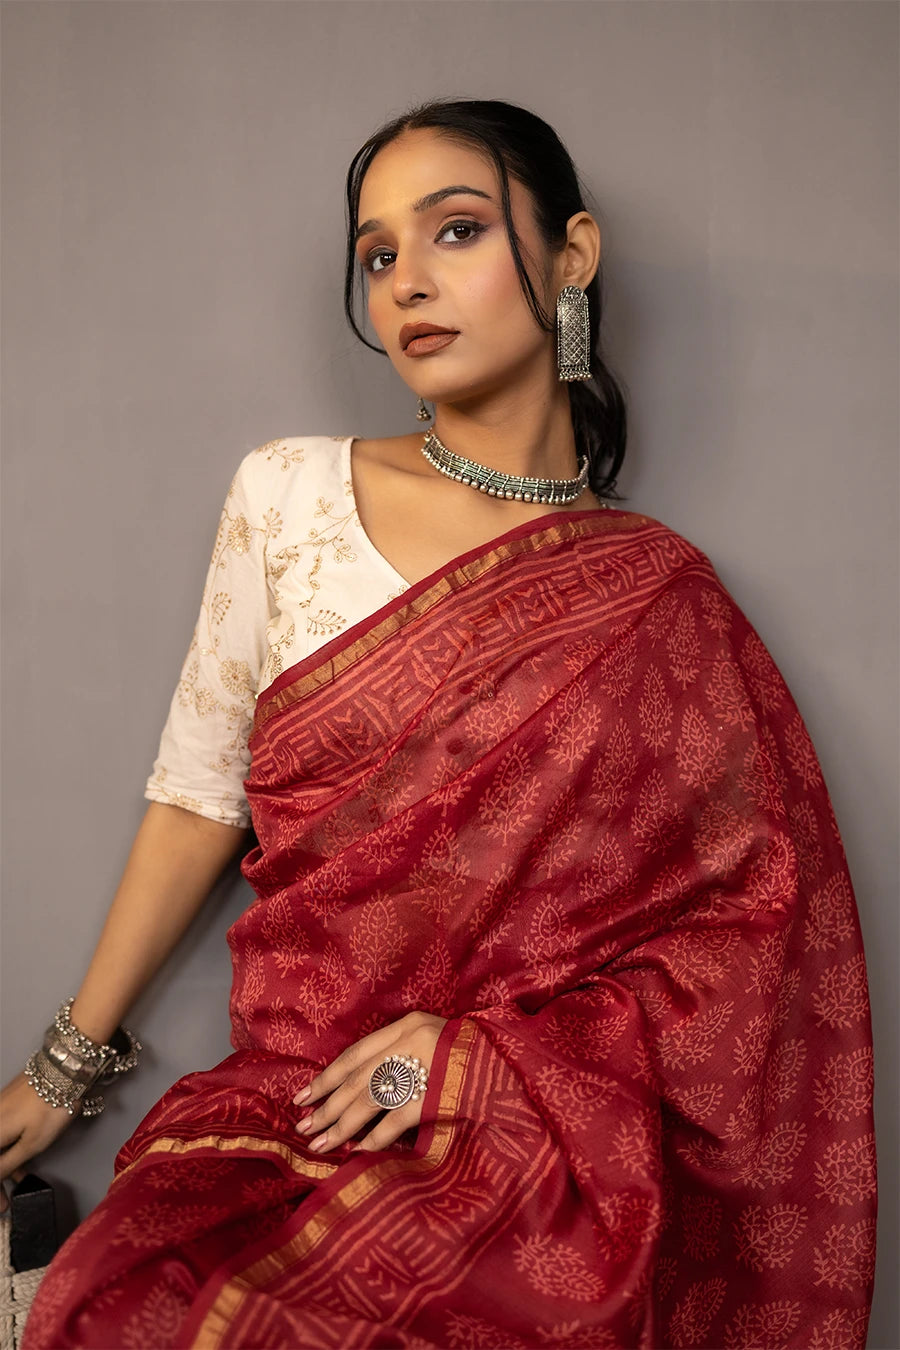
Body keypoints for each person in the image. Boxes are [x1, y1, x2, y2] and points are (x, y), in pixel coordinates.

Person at [1, 98, 876, 1349]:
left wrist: (474, 1063)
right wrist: (64, 1069)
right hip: (292, 1109)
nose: (406, 280)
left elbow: (748, 950)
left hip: (539, 1159)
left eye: (455, 230)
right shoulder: (289, 493)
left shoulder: (663, 602)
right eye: (376, 255)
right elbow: (201, 795)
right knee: (132, 1314)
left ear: (570, 256)